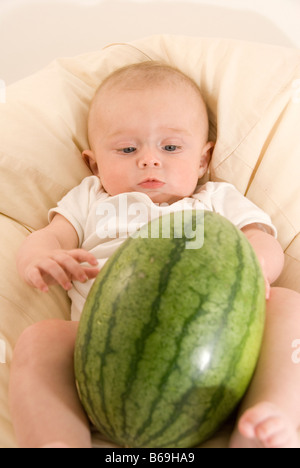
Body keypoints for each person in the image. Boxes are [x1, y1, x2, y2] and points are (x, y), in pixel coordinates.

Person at [9, 62, 300, 448]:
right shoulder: (91, 200)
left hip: (217, 342)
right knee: (40, 339)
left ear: (202, 160)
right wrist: (38, 259)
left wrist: (253, 268)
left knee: (287, 306)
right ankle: (57, 439)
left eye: (171, 147)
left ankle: (268, 415)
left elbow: (261, 240)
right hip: (101, 344)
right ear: (94, 164)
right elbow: (48, 236)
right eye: (127, 149)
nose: (149, 159)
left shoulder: (215, 200)